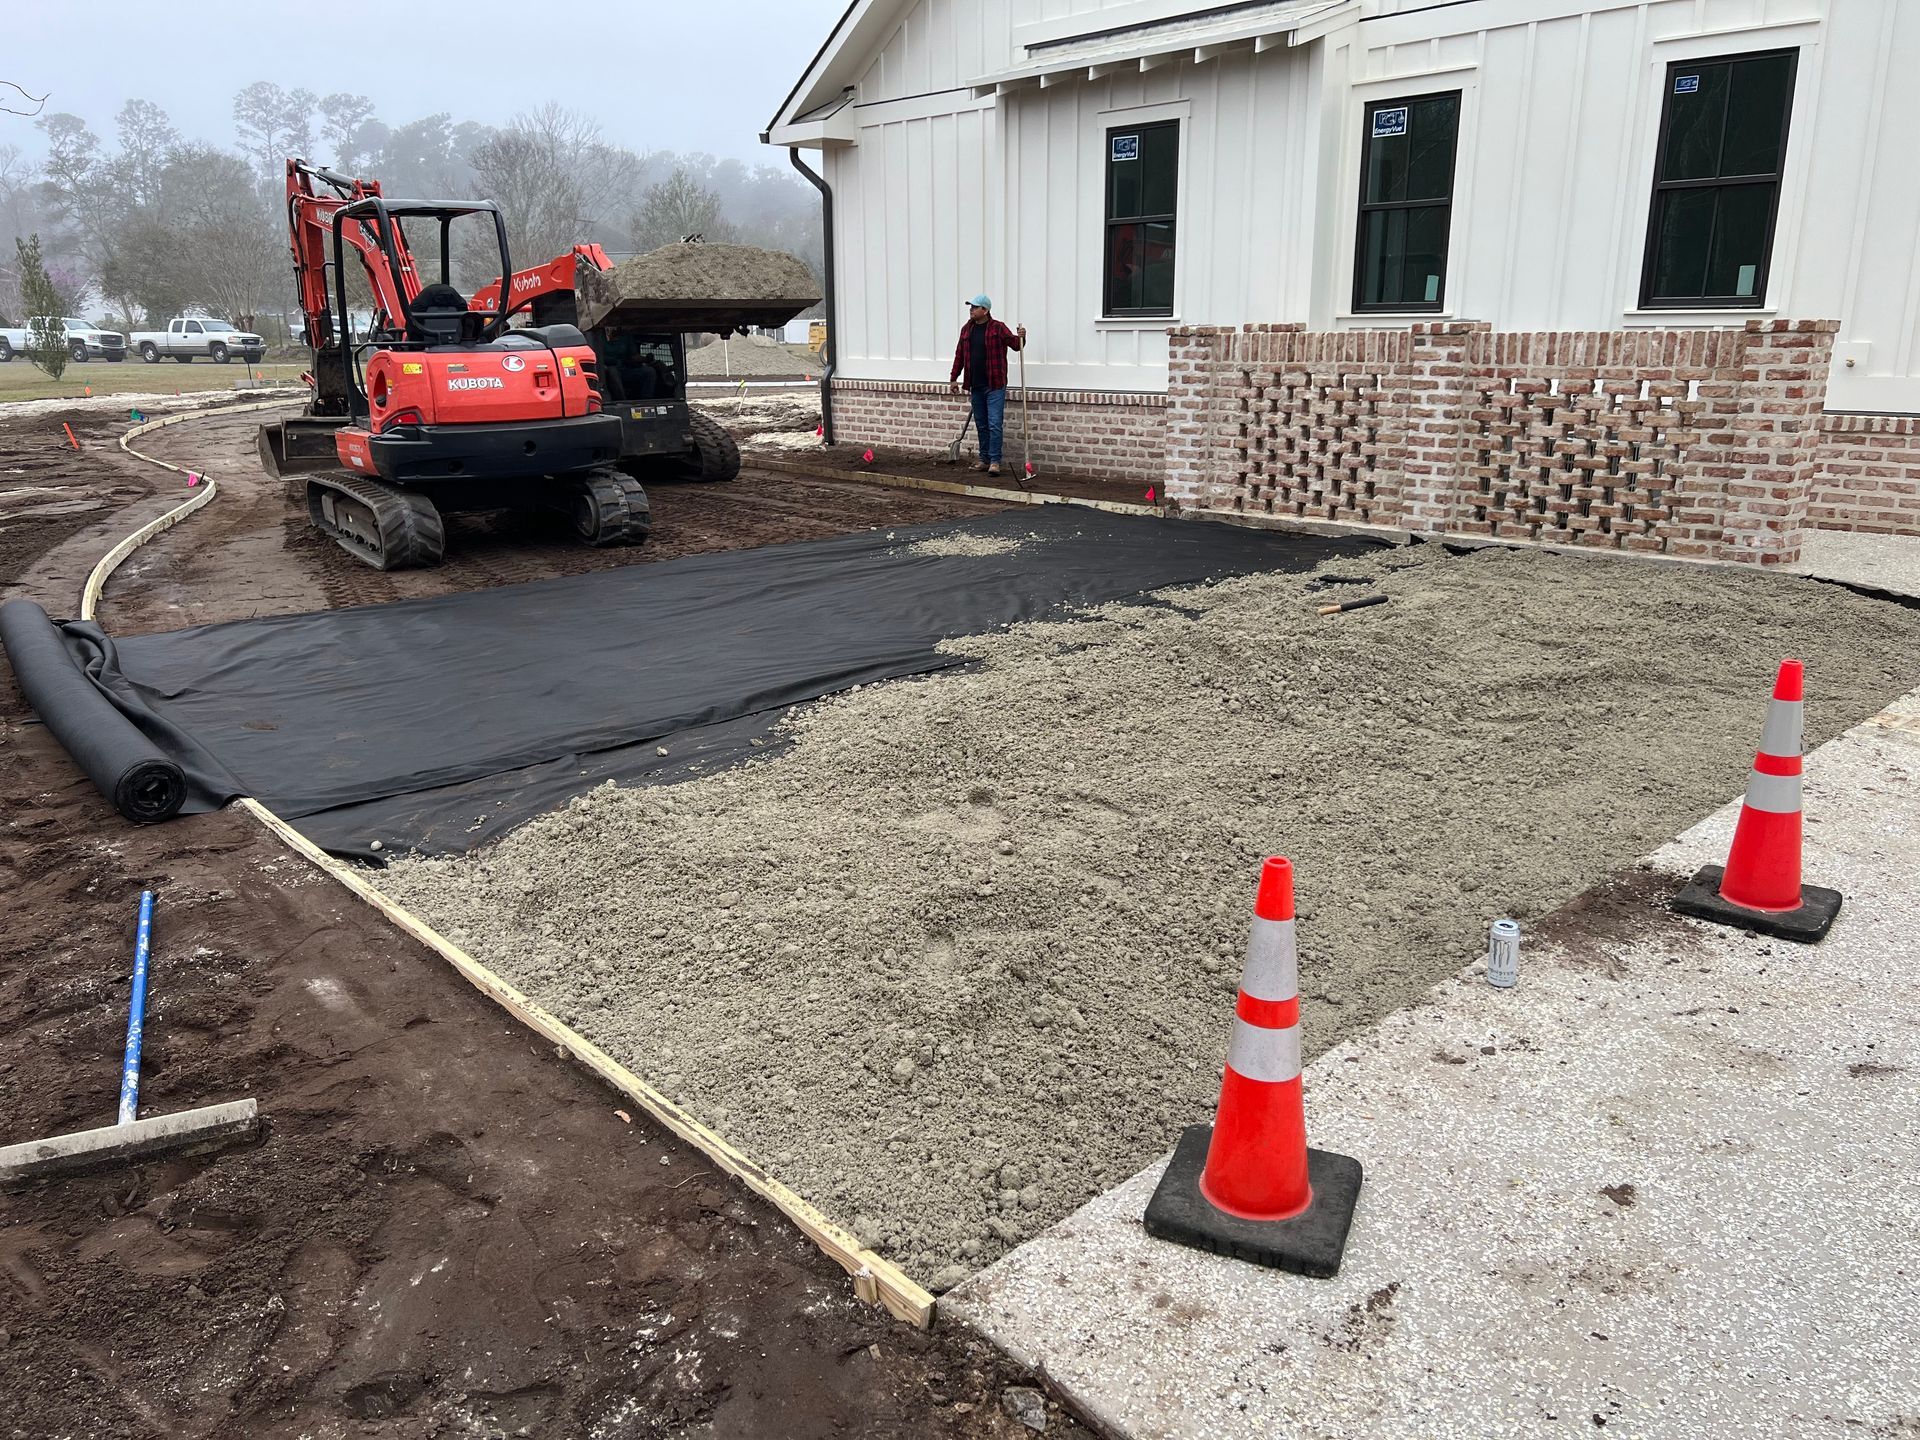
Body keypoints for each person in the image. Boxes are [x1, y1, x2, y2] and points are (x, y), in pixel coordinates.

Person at [949, 295, 1026, 477]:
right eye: (970, 307)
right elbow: (959, 355)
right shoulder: (966, 330)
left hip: (994, 385)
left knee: (994, 424)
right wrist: (954, 378)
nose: (971, 310)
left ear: (985, 310)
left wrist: (1021, 337)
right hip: (975, 385)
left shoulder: (997, 328)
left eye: (975, 307)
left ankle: (994, 461)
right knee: (982, 424)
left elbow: (1016, 345)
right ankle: (984, 460)